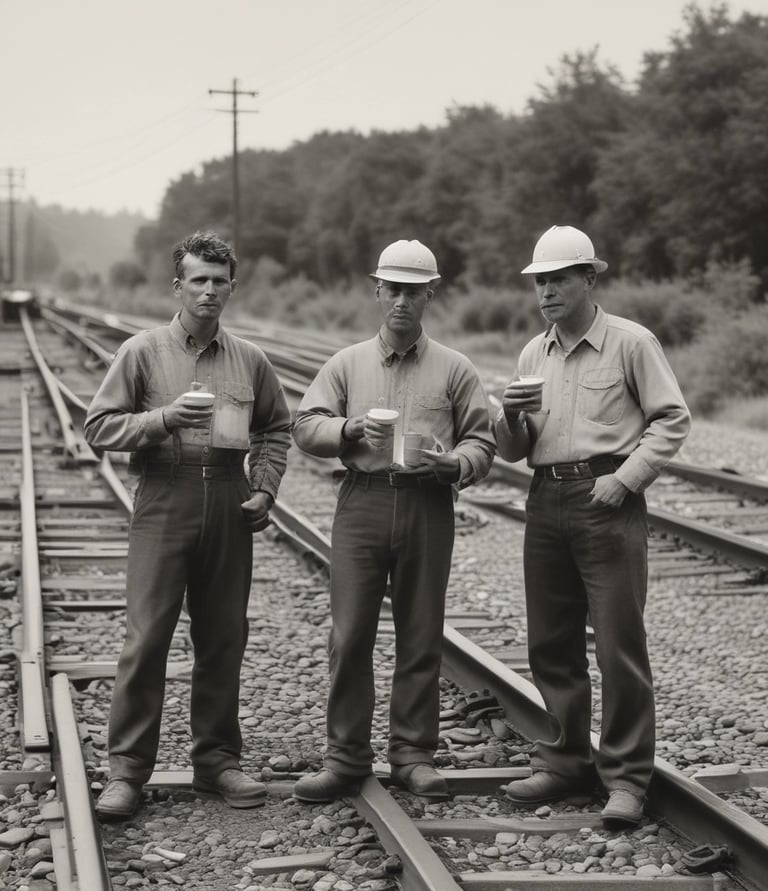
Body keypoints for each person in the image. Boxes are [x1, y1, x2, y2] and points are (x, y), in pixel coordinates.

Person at [83, 231, 292, 820]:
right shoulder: (143, 352)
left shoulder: (249, 359)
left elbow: (276, 429)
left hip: (228, 497)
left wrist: (265, 487)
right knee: (147, 638)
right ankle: (126, 772)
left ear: (231, 287)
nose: (208, 291)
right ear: (177, 287)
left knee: (224, 638)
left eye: (218, 281)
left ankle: (217, 762)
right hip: (163, 498)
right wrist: (163, 419)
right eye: (197, 280)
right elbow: (98, 426)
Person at [495, 225, 691, 827]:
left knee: (617, 644)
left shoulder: (632, 343)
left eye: (558, 279)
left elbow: (672, 420)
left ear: (588, 279)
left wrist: (626, 479)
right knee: (551, 643)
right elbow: (514, 449)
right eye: (540, 281)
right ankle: (563, 763)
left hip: (608, 499)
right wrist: (509, 415)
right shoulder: (534, 352)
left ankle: (627, 778)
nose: (547, 291)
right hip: (546, 497)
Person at [291, 239, 496, 802]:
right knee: (350, 633)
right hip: (363, 501)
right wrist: (350, 430)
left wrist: (455, 463)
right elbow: (306, 425)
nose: (402, 300)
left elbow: (483, 439)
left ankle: (412, 754)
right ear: (377, 290)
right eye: (394, 289)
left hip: (428, 503)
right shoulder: (346, 363)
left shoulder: (455, 369)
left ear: (432, 294)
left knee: (422, 633)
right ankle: (346, 757)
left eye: (414, 291)